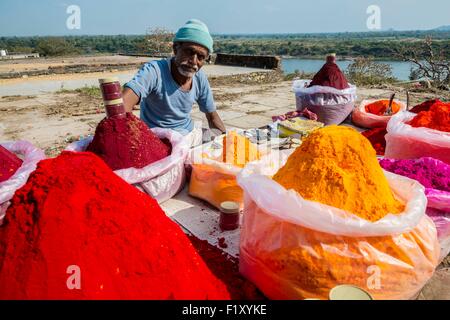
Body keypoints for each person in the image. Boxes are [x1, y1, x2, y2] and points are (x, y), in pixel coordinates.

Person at [122, 19, 226, 145]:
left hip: (187, 136)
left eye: (200, 57)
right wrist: (131, 135)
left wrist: (225, 142)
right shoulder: (155, 71)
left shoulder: (199, 78)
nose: (193, 61)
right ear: (176, 49)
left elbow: (212, 116)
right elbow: (123, 104)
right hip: (155, 140)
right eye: (189, 51)